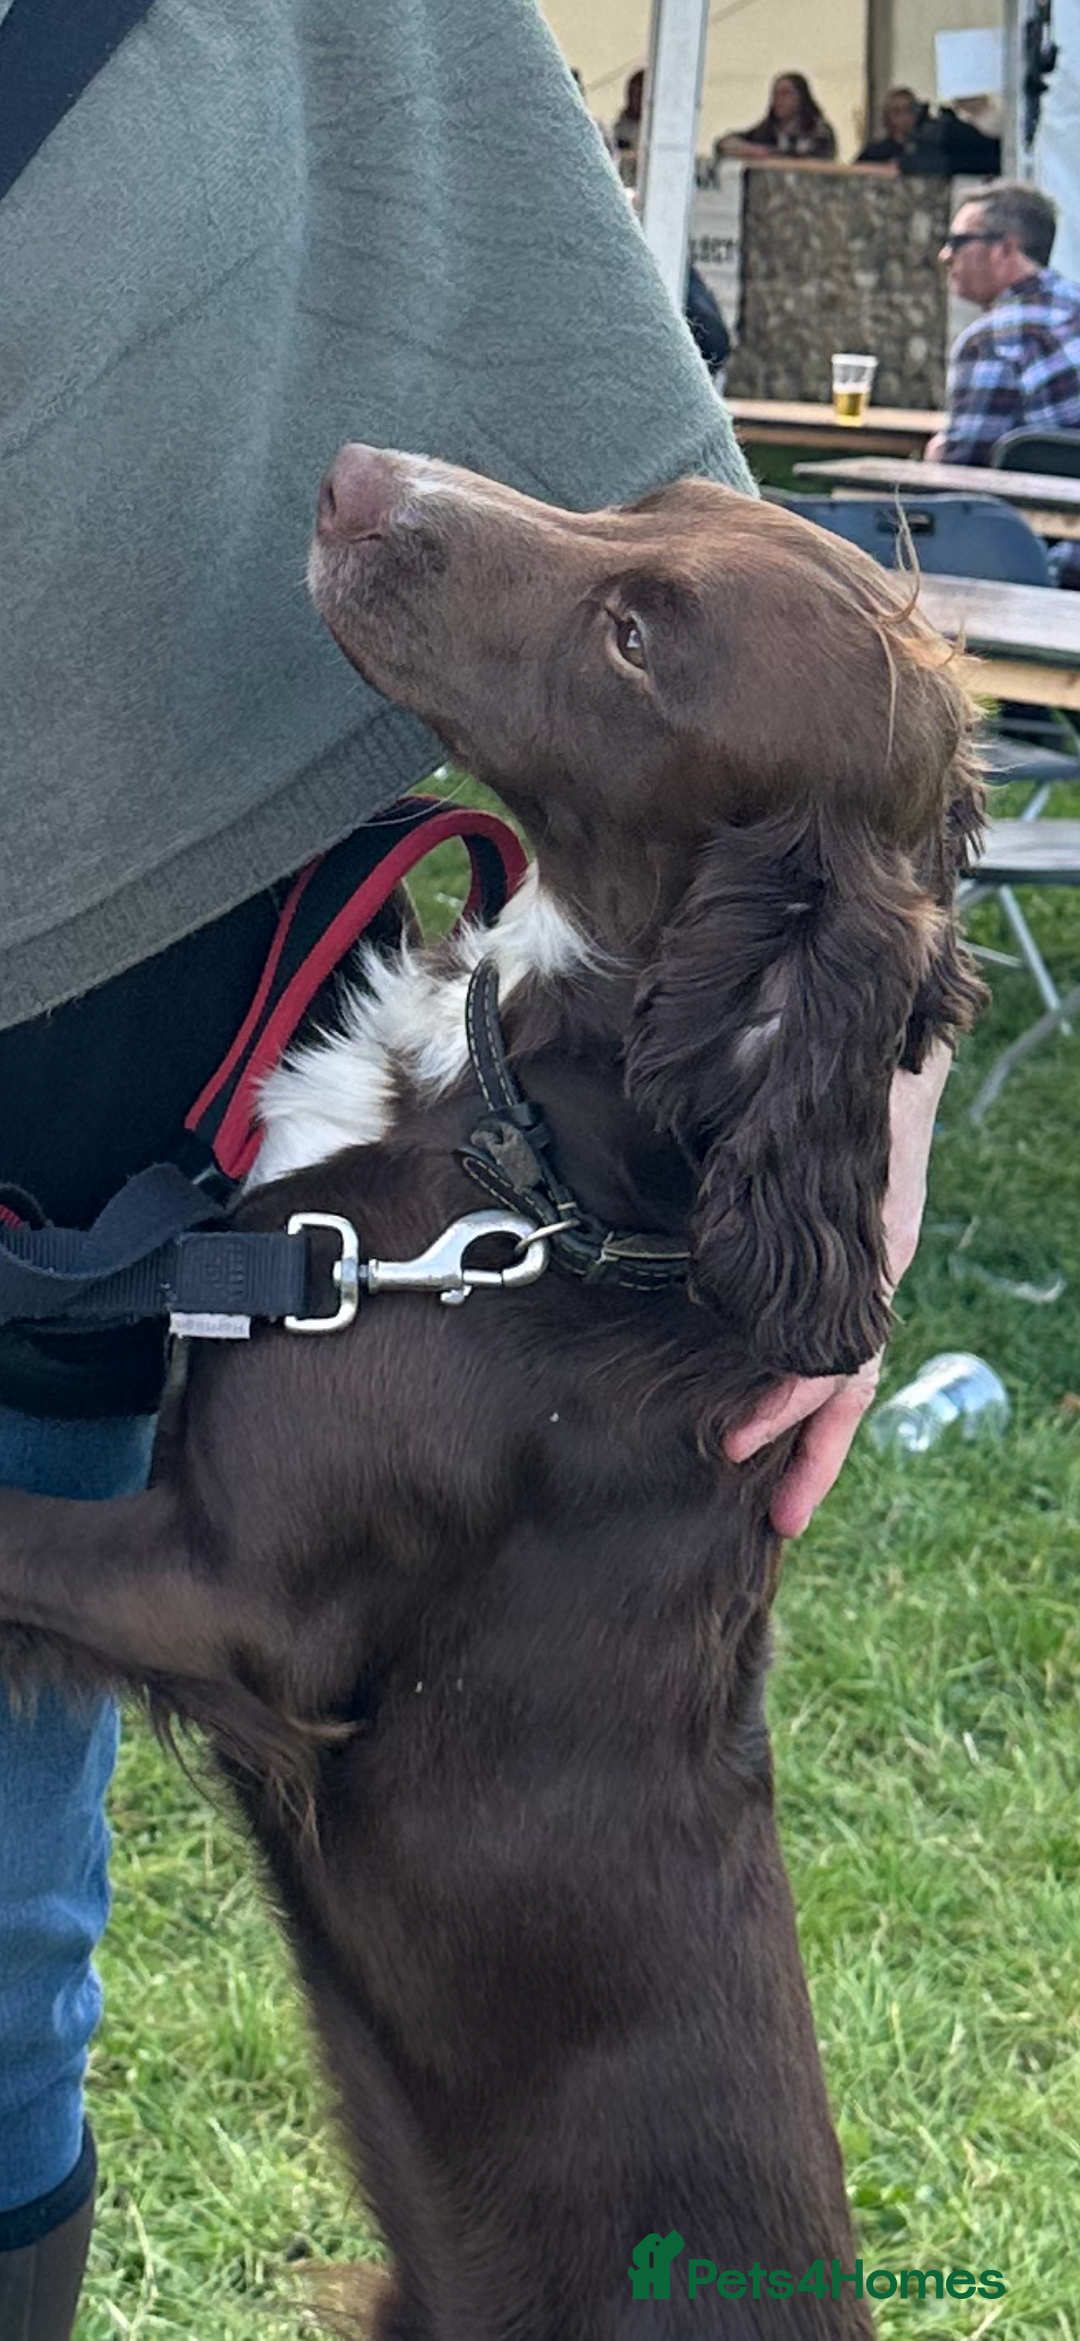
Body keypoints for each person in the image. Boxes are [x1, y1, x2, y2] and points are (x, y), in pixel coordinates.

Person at [0, 2, 948, 2334]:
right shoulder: (466, 1195)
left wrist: (867, 1136)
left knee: (0, 1950)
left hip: (87, 1176)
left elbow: (632, 433)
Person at [925, 181, 1080, 464]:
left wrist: (939, 454)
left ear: (1005, 249)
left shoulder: (993, 340)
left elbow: (963, 470)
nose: (945, 255)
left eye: (958, 242)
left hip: (1040, 503)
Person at [714, 72, 838, 165]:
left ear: (801, 97)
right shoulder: (768, 130)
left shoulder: (819, 131)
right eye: (775, 94)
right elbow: (724, 143)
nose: (779, 100)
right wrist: (746, 149)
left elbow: (810, 161)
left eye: (785, 93)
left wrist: (767, 153)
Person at [855, 85, 932, 169]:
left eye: (908, 110)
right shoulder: (873, 153)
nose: (904, 117)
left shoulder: (927, 152)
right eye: (897, 112)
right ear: (886, 117)